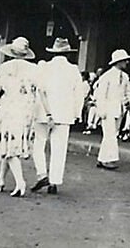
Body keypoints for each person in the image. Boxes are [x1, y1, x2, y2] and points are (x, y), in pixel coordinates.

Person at [30, 38, 87, 195]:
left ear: (53, 52)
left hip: (43, 111)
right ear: (68, 53)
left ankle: (42, 174)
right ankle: (54, 182)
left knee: (39, 143)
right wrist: (76, 113)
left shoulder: (44, 67)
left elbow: (39, 90)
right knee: (59, 148)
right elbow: (79, 94)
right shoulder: (73, 69)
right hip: (64, 114)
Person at [0, 37, 39, 197]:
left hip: (9, 108)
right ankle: (1, 179)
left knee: (10, 147)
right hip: (27, 110)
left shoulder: (4, 67)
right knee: (10, 145)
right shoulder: (35, 69)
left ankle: (20, 182)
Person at [93, 49, 130, 170]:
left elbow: (128, 92)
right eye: (124, 60)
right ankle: (109, 159)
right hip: (108, 109)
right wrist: (101, 111)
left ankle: (102, 159)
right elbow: (101, 95)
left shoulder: (125, 76)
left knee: (112, 134)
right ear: (118, 62)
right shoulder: (106, 76)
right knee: (110, 135)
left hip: (119, 109)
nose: (126, 62)